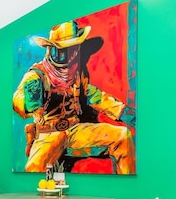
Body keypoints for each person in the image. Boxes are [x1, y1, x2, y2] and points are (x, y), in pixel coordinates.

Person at [13, 20, 136, 174]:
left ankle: (125, 187)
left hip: (75, 130)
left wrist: (125, 112)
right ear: (51, 50)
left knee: (122, 136)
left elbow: (95, 95)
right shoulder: (36, 75)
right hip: (48, 134)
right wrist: (26, 103)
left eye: (72, 50)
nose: (70, 57)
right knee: (33, 172)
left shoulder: (77, 74)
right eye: (63, 51)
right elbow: (18, 98)